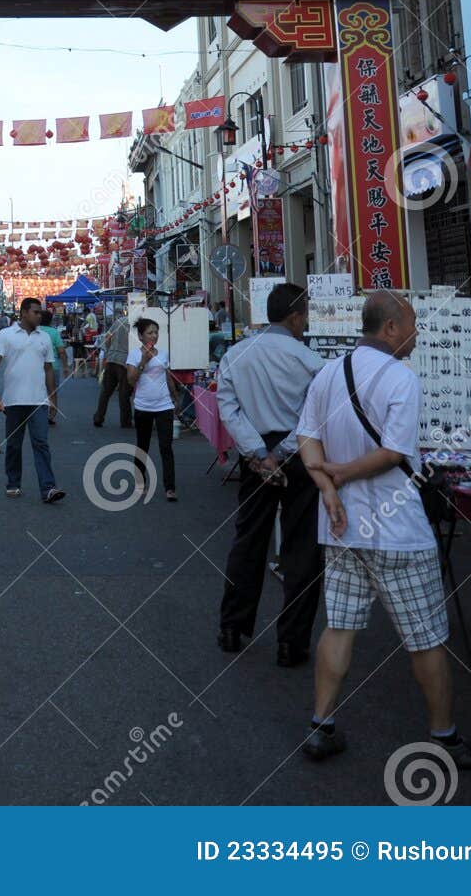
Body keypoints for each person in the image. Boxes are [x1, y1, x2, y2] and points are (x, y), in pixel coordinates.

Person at [298, 290, 471, 769]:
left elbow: (307, 438)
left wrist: (327, 487)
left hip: (342, 526)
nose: (415, 333)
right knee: (426, 637)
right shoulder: (401, 379)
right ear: (389, 328)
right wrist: (341, 476)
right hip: (397, 530)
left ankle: (320, 727)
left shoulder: (329, 373)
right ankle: (445, 738)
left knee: (340, 627)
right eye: (410, 323)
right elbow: (393, 453)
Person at [215, 281, 324, 665]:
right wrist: (284, 449)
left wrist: (259, 453)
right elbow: (317, 416)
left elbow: (227, 409)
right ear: (295, 317)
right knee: (303, 546)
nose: (305, 324)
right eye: (304, 316)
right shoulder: (311, 362)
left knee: (249, 539)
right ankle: (291, 643)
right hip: (300, 455)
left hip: (256, 458)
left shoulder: (236, 354)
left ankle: (232, 627)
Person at [0, 297, 65, 503]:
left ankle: (48, 488)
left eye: (40, 312)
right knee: (14, 445)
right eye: (36, 312)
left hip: (38, 401)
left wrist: (53, 396)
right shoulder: (6, 334)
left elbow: (48, 369)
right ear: (24, 313)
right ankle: (13, 483)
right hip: (13, 400)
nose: (40, 315)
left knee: (41, 443)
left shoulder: (44, 337)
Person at [126, 318, 181, 500]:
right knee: (143, 445)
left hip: (164, 405)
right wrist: (143, 360)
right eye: (150, 332)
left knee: (166, 446)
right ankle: (140, 482)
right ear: (141, 336)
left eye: (156, 332)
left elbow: (167, 376)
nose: (154, 336)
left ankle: (170, 487)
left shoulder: (163, 354)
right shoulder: (134, 355)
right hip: (143, 406)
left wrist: (175, 397)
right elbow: (130, 380)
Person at [93, 312, 133, 429]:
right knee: (124, 393)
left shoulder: (119, 320)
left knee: (105, 391)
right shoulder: (136, 324)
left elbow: (108, 337)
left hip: (112, 358)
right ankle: (125, 421)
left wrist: (109, 350)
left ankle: (98, 417)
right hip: (125, 361)